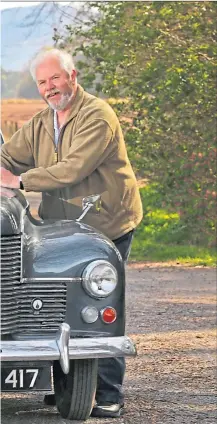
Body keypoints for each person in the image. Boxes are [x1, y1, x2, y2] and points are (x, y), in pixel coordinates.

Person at [0, 48, 143, 418]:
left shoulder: (98, 115)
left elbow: (72, 169)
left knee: (94, 300)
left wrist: (18, 180)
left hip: (105, 221)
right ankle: (61, 381)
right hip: (62, 227)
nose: (50, 87)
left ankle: (108, 393)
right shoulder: (42, 122)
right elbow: (8, 155)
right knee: (51, 300)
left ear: (73, 76)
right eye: (43, 82)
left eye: (55, 78)